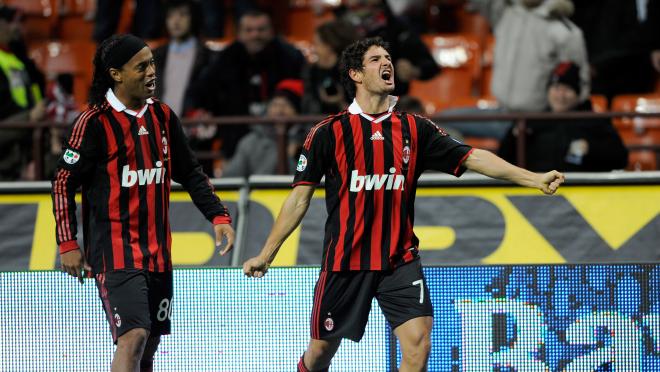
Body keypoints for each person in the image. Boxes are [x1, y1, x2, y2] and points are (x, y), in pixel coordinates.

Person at [242, 37, 564, 372]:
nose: (387, 63)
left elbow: (472, 157)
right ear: (355, 74)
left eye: (389, 57)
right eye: (376, 59)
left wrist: (532, 178)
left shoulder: (415, 128)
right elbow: (298, 198)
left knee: (418, 343)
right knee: (321, 352)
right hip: (346, 262)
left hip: (400, 260)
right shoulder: (328, 132)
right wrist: (266, 255)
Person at [51, 34, 235, 371]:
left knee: (149, 345)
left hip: (158, 253)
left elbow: (191, 172)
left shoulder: (163, 116)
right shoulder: (94, 122)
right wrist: (67, 242)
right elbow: (63, 182)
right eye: (142, 66)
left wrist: (218, 216)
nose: (152, 72)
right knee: (133, 336)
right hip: (115, 252)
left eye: (152, 64)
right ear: (116, 74)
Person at [190, 9, 305, 158]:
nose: (255, 35)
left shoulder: (290, 57)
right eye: (249, 30)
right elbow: (201, 92)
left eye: (261, 30)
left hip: (281, 142)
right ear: (239, 33)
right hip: (234, 143)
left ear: (272, 31)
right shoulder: (225, 58)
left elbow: (304, 98)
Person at [498, 61, 628, 171]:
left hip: (581, 193)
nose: (560, 95)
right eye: (556, 88)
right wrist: (513, 137)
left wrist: (592, 149)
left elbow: (621, 159)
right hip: (535, 192)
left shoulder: (594, 121)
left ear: (577, 94)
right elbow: (503, 159)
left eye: (567, 89)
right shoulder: (530, 120)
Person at [336, 0, 439, 96]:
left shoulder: (397, 27)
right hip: (349, 103)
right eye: (361, 5)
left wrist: (413, 70)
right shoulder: (338, 28)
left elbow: (430, 66)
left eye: (375, 6)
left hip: (392, 101)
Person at [222, 79, 304, 177]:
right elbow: (231, 177)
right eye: (275, 105)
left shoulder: (308, 141)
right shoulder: (251, 142)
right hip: (258, 191)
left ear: (296, 112)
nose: (280, 110)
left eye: (286, 105)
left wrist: (292, 156)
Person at [301, 19, 357, 115]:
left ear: (329, 46)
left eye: (317, 44)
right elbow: (306, 106)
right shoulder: (311, 72)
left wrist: (339, 102)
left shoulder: (352, 72)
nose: (313, 49)